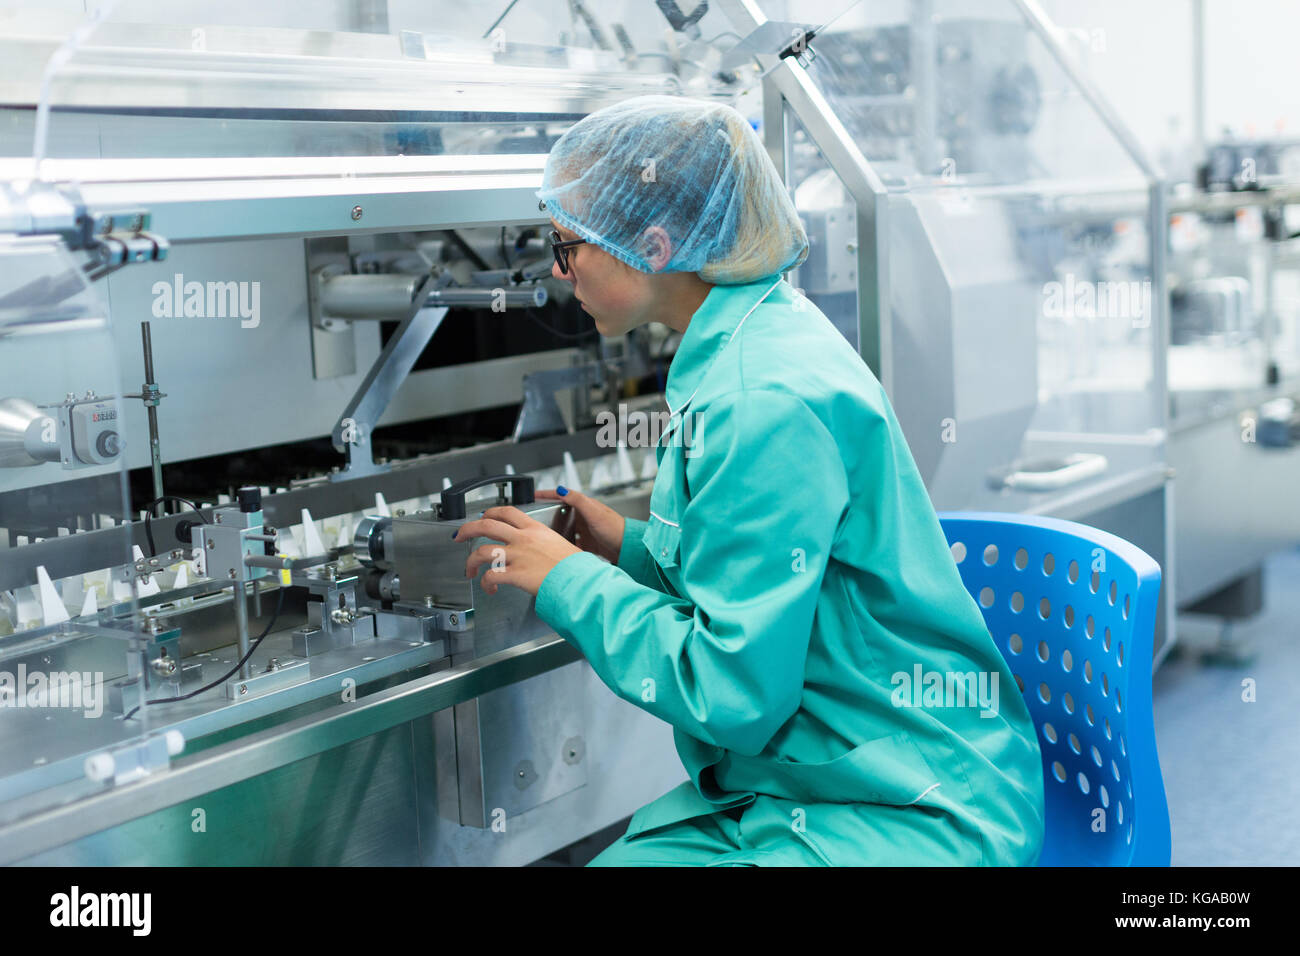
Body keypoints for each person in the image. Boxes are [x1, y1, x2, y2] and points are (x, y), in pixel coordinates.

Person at [453, 95, 1045, 866]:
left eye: (568, 246)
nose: (561, 273)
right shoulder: (756, 333)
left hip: (910, 804)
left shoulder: (755, 400)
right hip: (820, 772)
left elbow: (732, 693)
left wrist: (568, 582)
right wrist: (627, 550)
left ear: (653, 245)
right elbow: (754, 582)